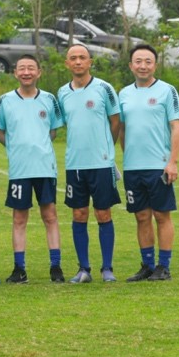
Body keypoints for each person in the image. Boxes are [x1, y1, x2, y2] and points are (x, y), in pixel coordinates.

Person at [0, 55, 65, 283]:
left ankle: (56, 267)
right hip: (19, 169)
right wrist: (16, 148)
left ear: (39, 72)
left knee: (50, 216)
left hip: (44, 168)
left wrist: (38, 147)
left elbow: (53, 131)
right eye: (21, 68)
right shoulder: (5, 100)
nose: (26, 72)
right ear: (15, 73)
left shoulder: (49, 99)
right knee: (19, 218)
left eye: (30, 68)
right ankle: (19, 268)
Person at [58, 43, 122, 284]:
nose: (77, 62)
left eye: (82, 57)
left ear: (90, 61)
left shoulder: (104, 88)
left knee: (103, 214)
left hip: (101, 164)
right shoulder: (62, 92)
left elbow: (115, 122)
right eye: (72, 58)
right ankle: (84, 269)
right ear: (67, 63)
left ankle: (107, 268)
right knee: (79, 213)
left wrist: (107, 150)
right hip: (75, 165)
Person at [118, 44, 179, 282]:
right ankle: (147, 265)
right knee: (141, 216)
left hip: (158, 166)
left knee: (162, 215)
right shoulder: (123, 94)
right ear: (131, 65)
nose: (142, 65)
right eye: (138, 61)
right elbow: (122, 129)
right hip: (133, 168)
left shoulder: (167, 91)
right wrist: (127, 156)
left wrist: (172, 162)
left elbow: (176, 127)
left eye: (148, 61)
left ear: (155, 65)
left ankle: (163, 267)